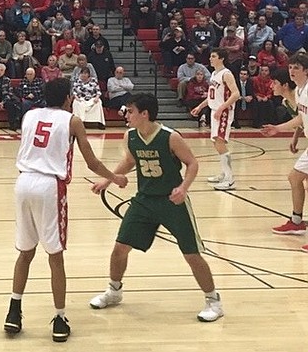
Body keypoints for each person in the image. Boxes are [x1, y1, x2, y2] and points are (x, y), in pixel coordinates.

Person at [4, 77, 127, 341]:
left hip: (23, 182)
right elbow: (92, 162)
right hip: (50, 186)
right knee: (55, 256)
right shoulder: (73, 121)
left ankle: (13, 312)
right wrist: (114, 178)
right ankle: (59, 319)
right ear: (68, 98)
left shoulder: (29, 115)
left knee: (25, 253)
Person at [89, 93, 225, 323]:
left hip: (171, 201)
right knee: (119, 248)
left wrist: (184, 187)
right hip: (144, 200)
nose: (126, 114)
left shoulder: (170, 137)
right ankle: (114, 291)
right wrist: (109, 179)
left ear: (145, 114)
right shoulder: (130, 136)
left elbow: (192, 163)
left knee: (191, 253)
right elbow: (130, 161)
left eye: (130, 111)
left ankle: (214, 301)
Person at [262, 53, 308, 246]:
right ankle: (296, 222)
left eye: (296, 68)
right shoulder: (299, 91)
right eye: (290, 67)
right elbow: (300, 119)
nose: (291, 71)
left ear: (306, 71)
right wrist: (278, 128)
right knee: (294, 177)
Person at [190, 48, 241, 189]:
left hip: (223, 112)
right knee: (216, 143)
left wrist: (221, 108)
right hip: (214, 110)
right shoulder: (213, 74)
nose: (210, 58)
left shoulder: (226, 74)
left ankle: (230, 179)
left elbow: (236, 94)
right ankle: (224, 174)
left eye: (213, 56)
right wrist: (200, 107)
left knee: (220, 142)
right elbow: (212, 95)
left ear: (221, 58)